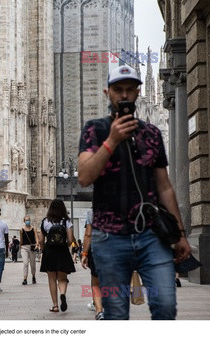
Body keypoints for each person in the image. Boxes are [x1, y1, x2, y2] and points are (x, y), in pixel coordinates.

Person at [78, 64, 191, 320]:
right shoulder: (94, 130)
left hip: (151, 235)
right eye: (119, 90)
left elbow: (164, 186)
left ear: (138, 92)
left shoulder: (151, 133)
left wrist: (181, 234)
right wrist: (112, 140)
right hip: (109, 237)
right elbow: (85, 177)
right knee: (116, 313)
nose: (125, 95)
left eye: (130, 89)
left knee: (165, 303)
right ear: (108, 92)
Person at [38, 199, 76, 313]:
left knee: (52, 278)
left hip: (49, 251)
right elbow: (70, 240)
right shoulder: (66, 222)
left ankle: (55, 306)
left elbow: (40, 240)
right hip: (62, 251)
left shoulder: (45, 221)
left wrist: (44, 249)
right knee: (62, 278)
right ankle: (63, 294)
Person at [81, 210, 104, 320]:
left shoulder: (92, 212)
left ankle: (99, 310)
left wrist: (84, 253)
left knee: (96, 282)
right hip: (116, 250)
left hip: (97, 249)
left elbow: (88, 234)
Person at [20, 215, 38, 285]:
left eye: (28, 220)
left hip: (32, 247)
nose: (27, 221)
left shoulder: (34, 228)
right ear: (24, 221)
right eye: (26, 220)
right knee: (25, 263)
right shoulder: (21, 229)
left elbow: (36, 237)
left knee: (33, 264)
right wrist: (20, 247)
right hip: (24, 247)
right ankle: (25, 279)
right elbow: (21, 239)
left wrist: (37, 244)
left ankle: (33, 276)